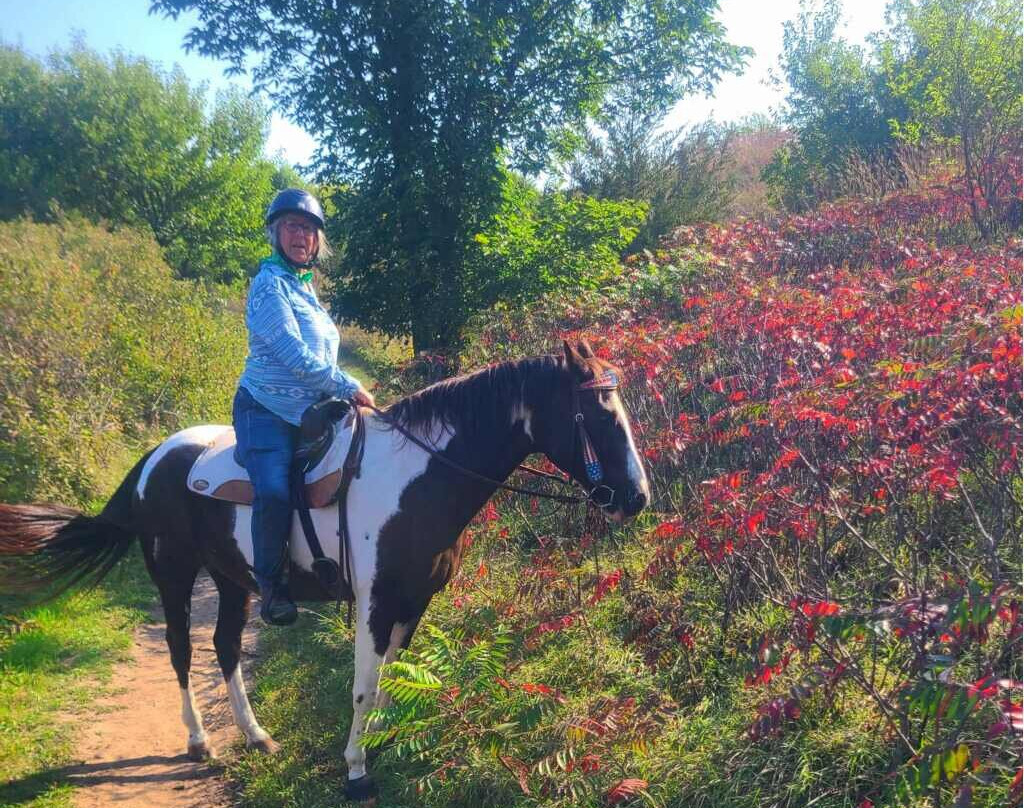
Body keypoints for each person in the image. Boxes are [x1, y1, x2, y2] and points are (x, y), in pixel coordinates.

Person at [233, 188, 375, 625]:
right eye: (293, 226)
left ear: (317, 242)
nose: (302, 235)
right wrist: (348, 385)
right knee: (274, 491)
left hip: (312, 408)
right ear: (276, 233)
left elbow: (323, 353)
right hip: (267, 410)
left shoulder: (304, 288)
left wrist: (336, 391)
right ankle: (271, 587)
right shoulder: (269, 284)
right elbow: (293, 354)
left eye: (309, 229)